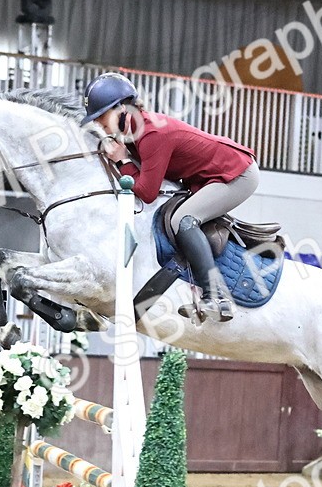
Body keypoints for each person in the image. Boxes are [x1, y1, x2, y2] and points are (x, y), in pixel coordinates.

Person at [83, 72, 258, 323]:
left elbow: (147, 192)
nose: (99, 124)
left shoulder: (151, 134)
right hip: (209, 177)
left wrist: (122, 161)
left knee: (184, 220)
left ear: (122, 108)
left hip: (237, 174)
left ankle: (216, 297)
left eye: (101, 116)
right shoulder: (134, 134)